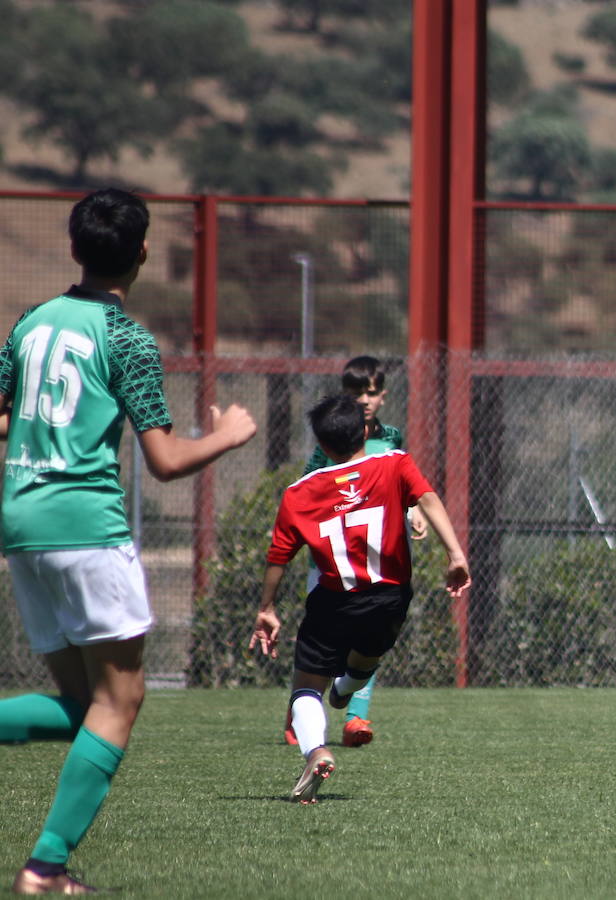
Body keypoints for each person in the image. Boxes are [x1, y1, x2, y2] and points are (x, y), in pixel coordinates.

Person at [0, 188, 258, 893]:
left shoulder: (31, 324)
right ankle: (46, 867)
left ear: (74, 247)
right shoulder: (128, 340)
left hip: (21, 523)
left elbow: (7, 416)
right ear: (143, 252)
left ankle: (47, 865)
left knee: (90, 710)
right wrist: (228, 436)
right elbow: (167, 462)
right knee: (123, 701)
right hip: (85, 527)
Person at [251, 394, 470, 804]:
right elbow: (428, 499)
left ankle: (316, 750)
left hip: (334, 601)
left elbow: (278, 556)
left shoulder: (300, 493)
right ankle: (346, 687)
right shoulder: (394, 464)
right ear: (367, 432)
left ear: (322, 445)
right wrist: (455, 555)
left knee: (305, 688)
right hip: (390, 598)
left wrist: (267, 608)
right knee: (366, 660)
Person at [283, 355, 426, 749]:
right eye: (355, 392)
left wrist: (413, 511)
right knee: (322, 637)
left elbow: (400, 484)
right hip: (331, 560)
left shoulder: (391, 438)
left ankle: (356, 717)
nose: (364, 400)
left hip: (376, 558)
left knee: (368, 635)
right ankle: (301, 708)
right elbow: (309, 487)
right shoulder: (329, 442)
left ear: (383, 395)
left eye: (372, 392)